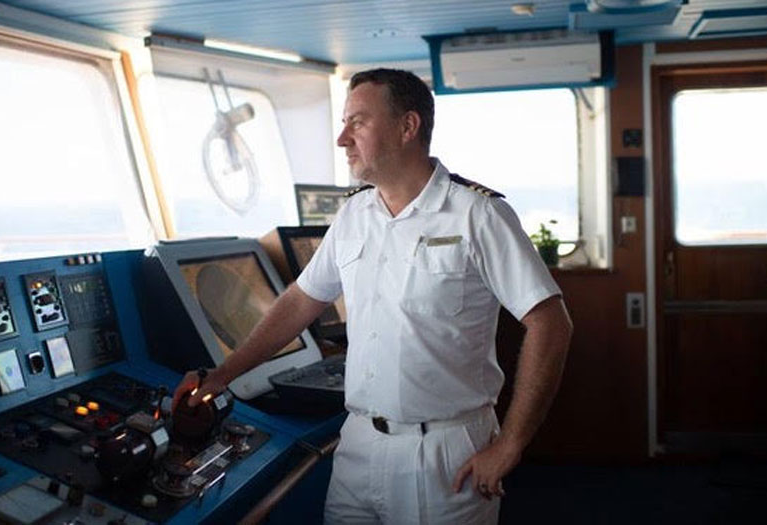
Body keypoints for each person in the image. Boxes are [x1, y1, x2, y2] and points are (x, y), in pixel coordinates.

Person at [173, 68, 573, 524]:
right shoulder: (354, 214)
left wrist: (511, 444)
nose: (343, 138)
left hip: (444, 451)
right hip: (359, 444)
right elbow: (302, 301)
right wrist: (223, 375)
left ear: (408, 126)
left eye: (358, 122)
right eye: (344, 123)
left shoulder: (477, 214)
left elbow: (551, 322)